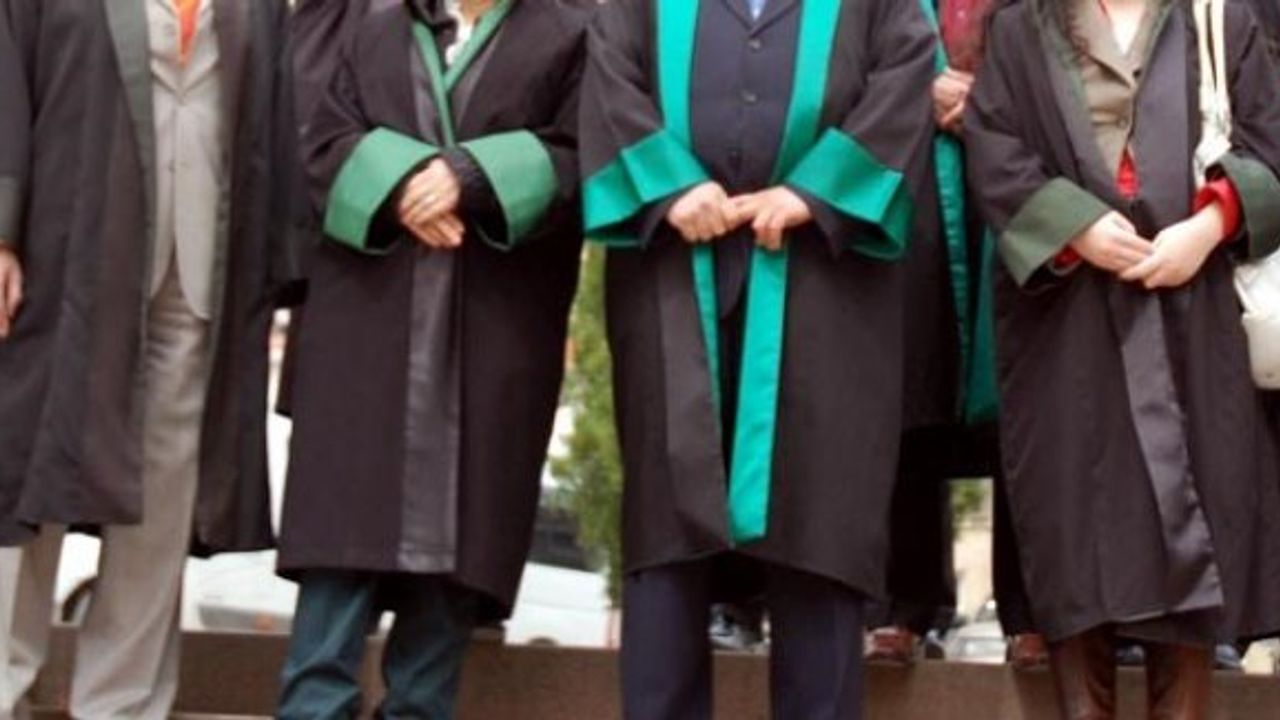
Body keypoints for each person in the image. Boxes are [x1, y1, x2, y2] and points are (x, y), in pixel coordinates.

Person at [580, 0, 935, 716]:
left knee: (821, 527)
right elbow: (609, 79)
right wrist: (669, 184)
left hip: (828, 285)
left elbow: (905, 78)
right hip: (675, 276)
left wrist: (815, 192)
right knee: (668, 528)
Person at [967, 0, 1280, 716]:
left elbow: (1270, 141)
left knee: (1193, 527)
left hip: (1193, 308)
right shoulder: (1020, 28)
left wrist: (1209, 225)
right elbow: (994, 148)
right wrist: (1074, 225)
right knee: (1075, 540)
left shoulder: (1218, 18)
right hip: (1065, 324)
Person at [274, 0, 586, 716]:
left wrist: (470, 176)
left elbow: (585, 151)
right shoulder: (366, 22)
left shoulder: (571, 31)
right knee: (337, 560)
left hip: (494, 332)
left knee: (454, 566)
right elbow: (318, 127)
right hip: (365, 326)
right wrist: (404, 181)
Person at [0, 0, 299, 717]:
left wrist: (274, 267)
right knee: (22, 474)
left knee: (161, 502)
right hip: (61, 263)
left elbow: (274, 119)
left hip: (195, 276)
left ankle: (122, 702)